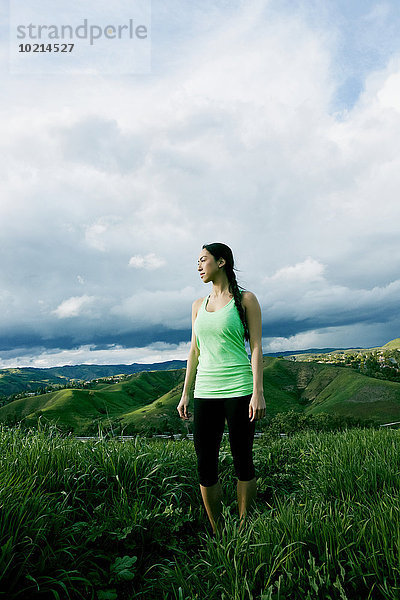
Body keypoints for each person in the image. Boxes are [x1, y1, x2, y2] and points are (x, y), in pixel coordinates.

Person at [177, 242, 266, 535]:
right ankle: (218, 530)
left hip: (240, 389)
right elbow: (194, 350)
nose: (199, 266)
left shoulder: (245, 300)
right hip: (206, 391)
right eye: (197, 262)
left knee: (243, 459)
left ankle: (244, 526)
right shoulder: (196, 306)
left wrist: (258, 391)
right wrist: (185, 392)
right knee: (205, 465)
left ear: (222, 262)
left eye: (203, 260)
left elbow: (255, 347)